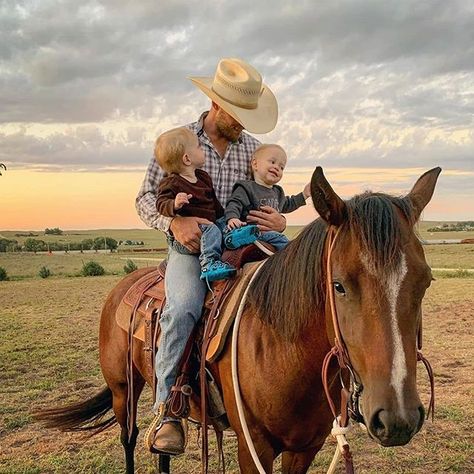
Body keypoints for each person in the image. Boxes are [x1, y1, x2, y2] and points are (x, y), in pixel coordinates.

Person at [136, 57, 282, 455]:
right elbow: (146, 197)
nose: (245, 124)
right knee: (183, 308)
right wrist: (173, 225)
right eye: (239, 114)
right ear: (217, 105)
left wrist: (279, 219)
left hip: (242, 241)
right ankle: (167, 408)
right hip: (189, 242)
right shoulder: (179, 142)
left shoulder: (254, 150)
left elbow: (274, 191)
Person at [154, 126, 236, 281]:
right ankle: (209, 263)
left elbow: (214, 204)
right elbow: (160, 203)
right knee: (185, 303)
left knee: (223, 224)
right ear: (187, 159)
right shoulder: (172, 182)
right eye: (199, 147)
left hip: (210, 225)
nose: (202, 149)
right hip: (187, 239)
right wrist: (174, 205)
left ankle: (233, 237)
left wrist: (226, 219)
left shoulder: (203, 177)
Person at [225, 144, 311, 250]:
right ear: (255, 164)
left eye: (281, 167)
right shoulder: (247, 187)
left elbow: (289, 204)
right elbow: (235, 203)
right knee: (285, 243)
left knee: (281, 241)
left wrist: (305, 194)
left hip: (267, 234)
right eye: (272, 162)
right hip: (250, 230)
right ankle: (237, 237)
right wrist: (232, 218)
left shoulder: (278, 192)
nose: (276, 167)